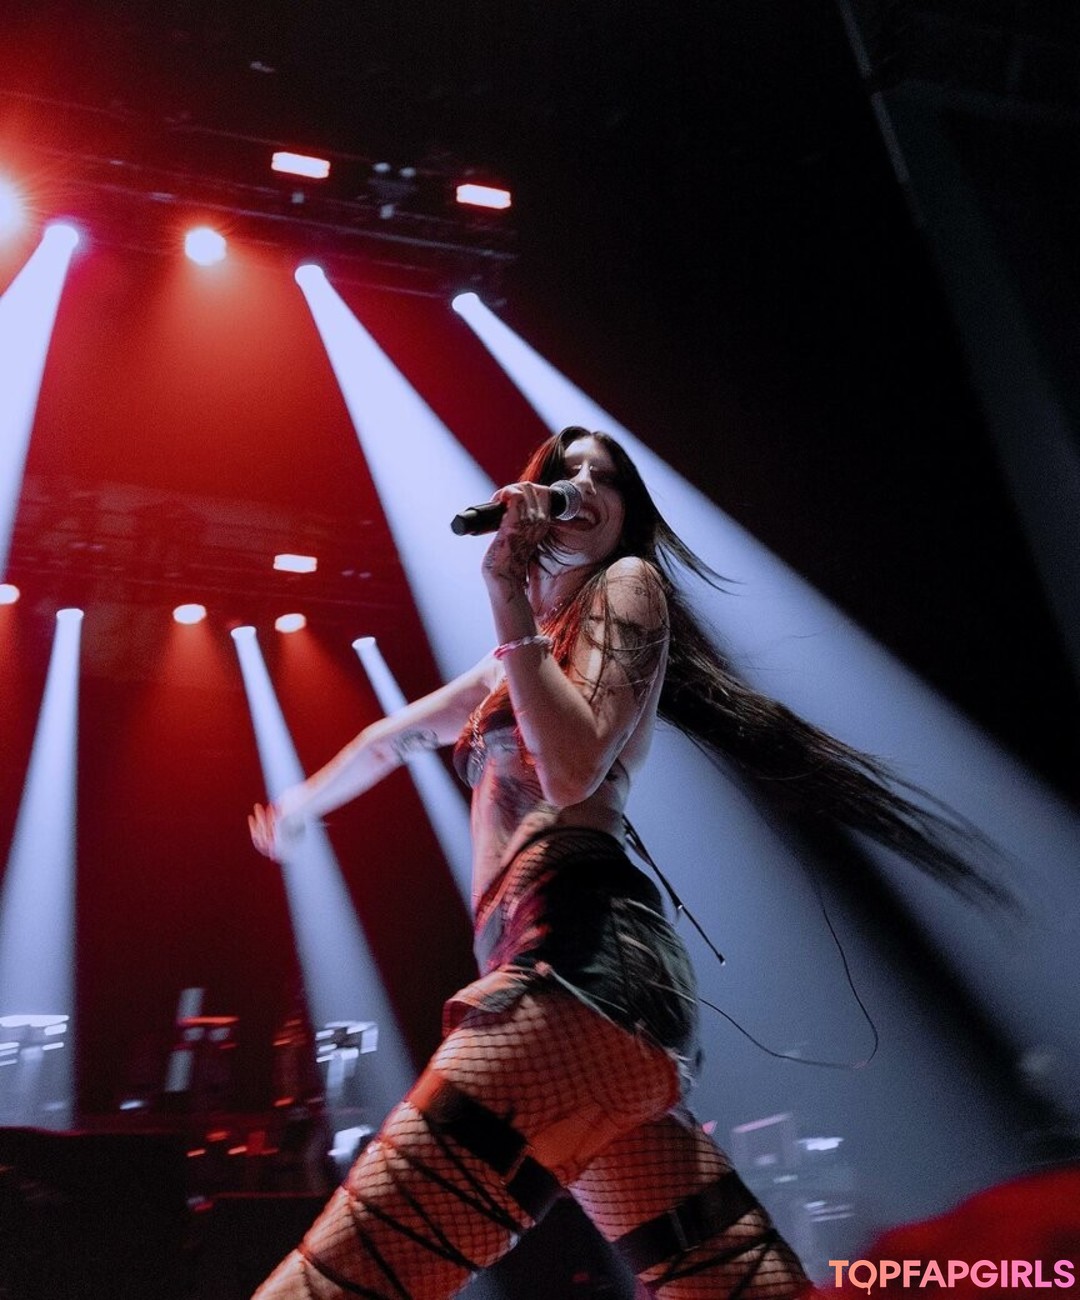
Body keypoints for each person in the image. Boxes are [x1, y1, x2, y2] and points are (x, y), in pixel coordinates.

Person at [248, 427, 1001, 1299]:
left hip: (580, 968)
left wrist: (505, 597)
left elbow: (572, 771)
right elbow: (394, 737)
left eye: (601, 477)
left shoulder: (628, 585)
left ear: (624, 516)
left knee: (338, 1281)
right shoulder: (522, 658)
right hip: (585, 1004)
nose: (580, 484)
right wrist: (299, 808)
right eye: (563, 472)